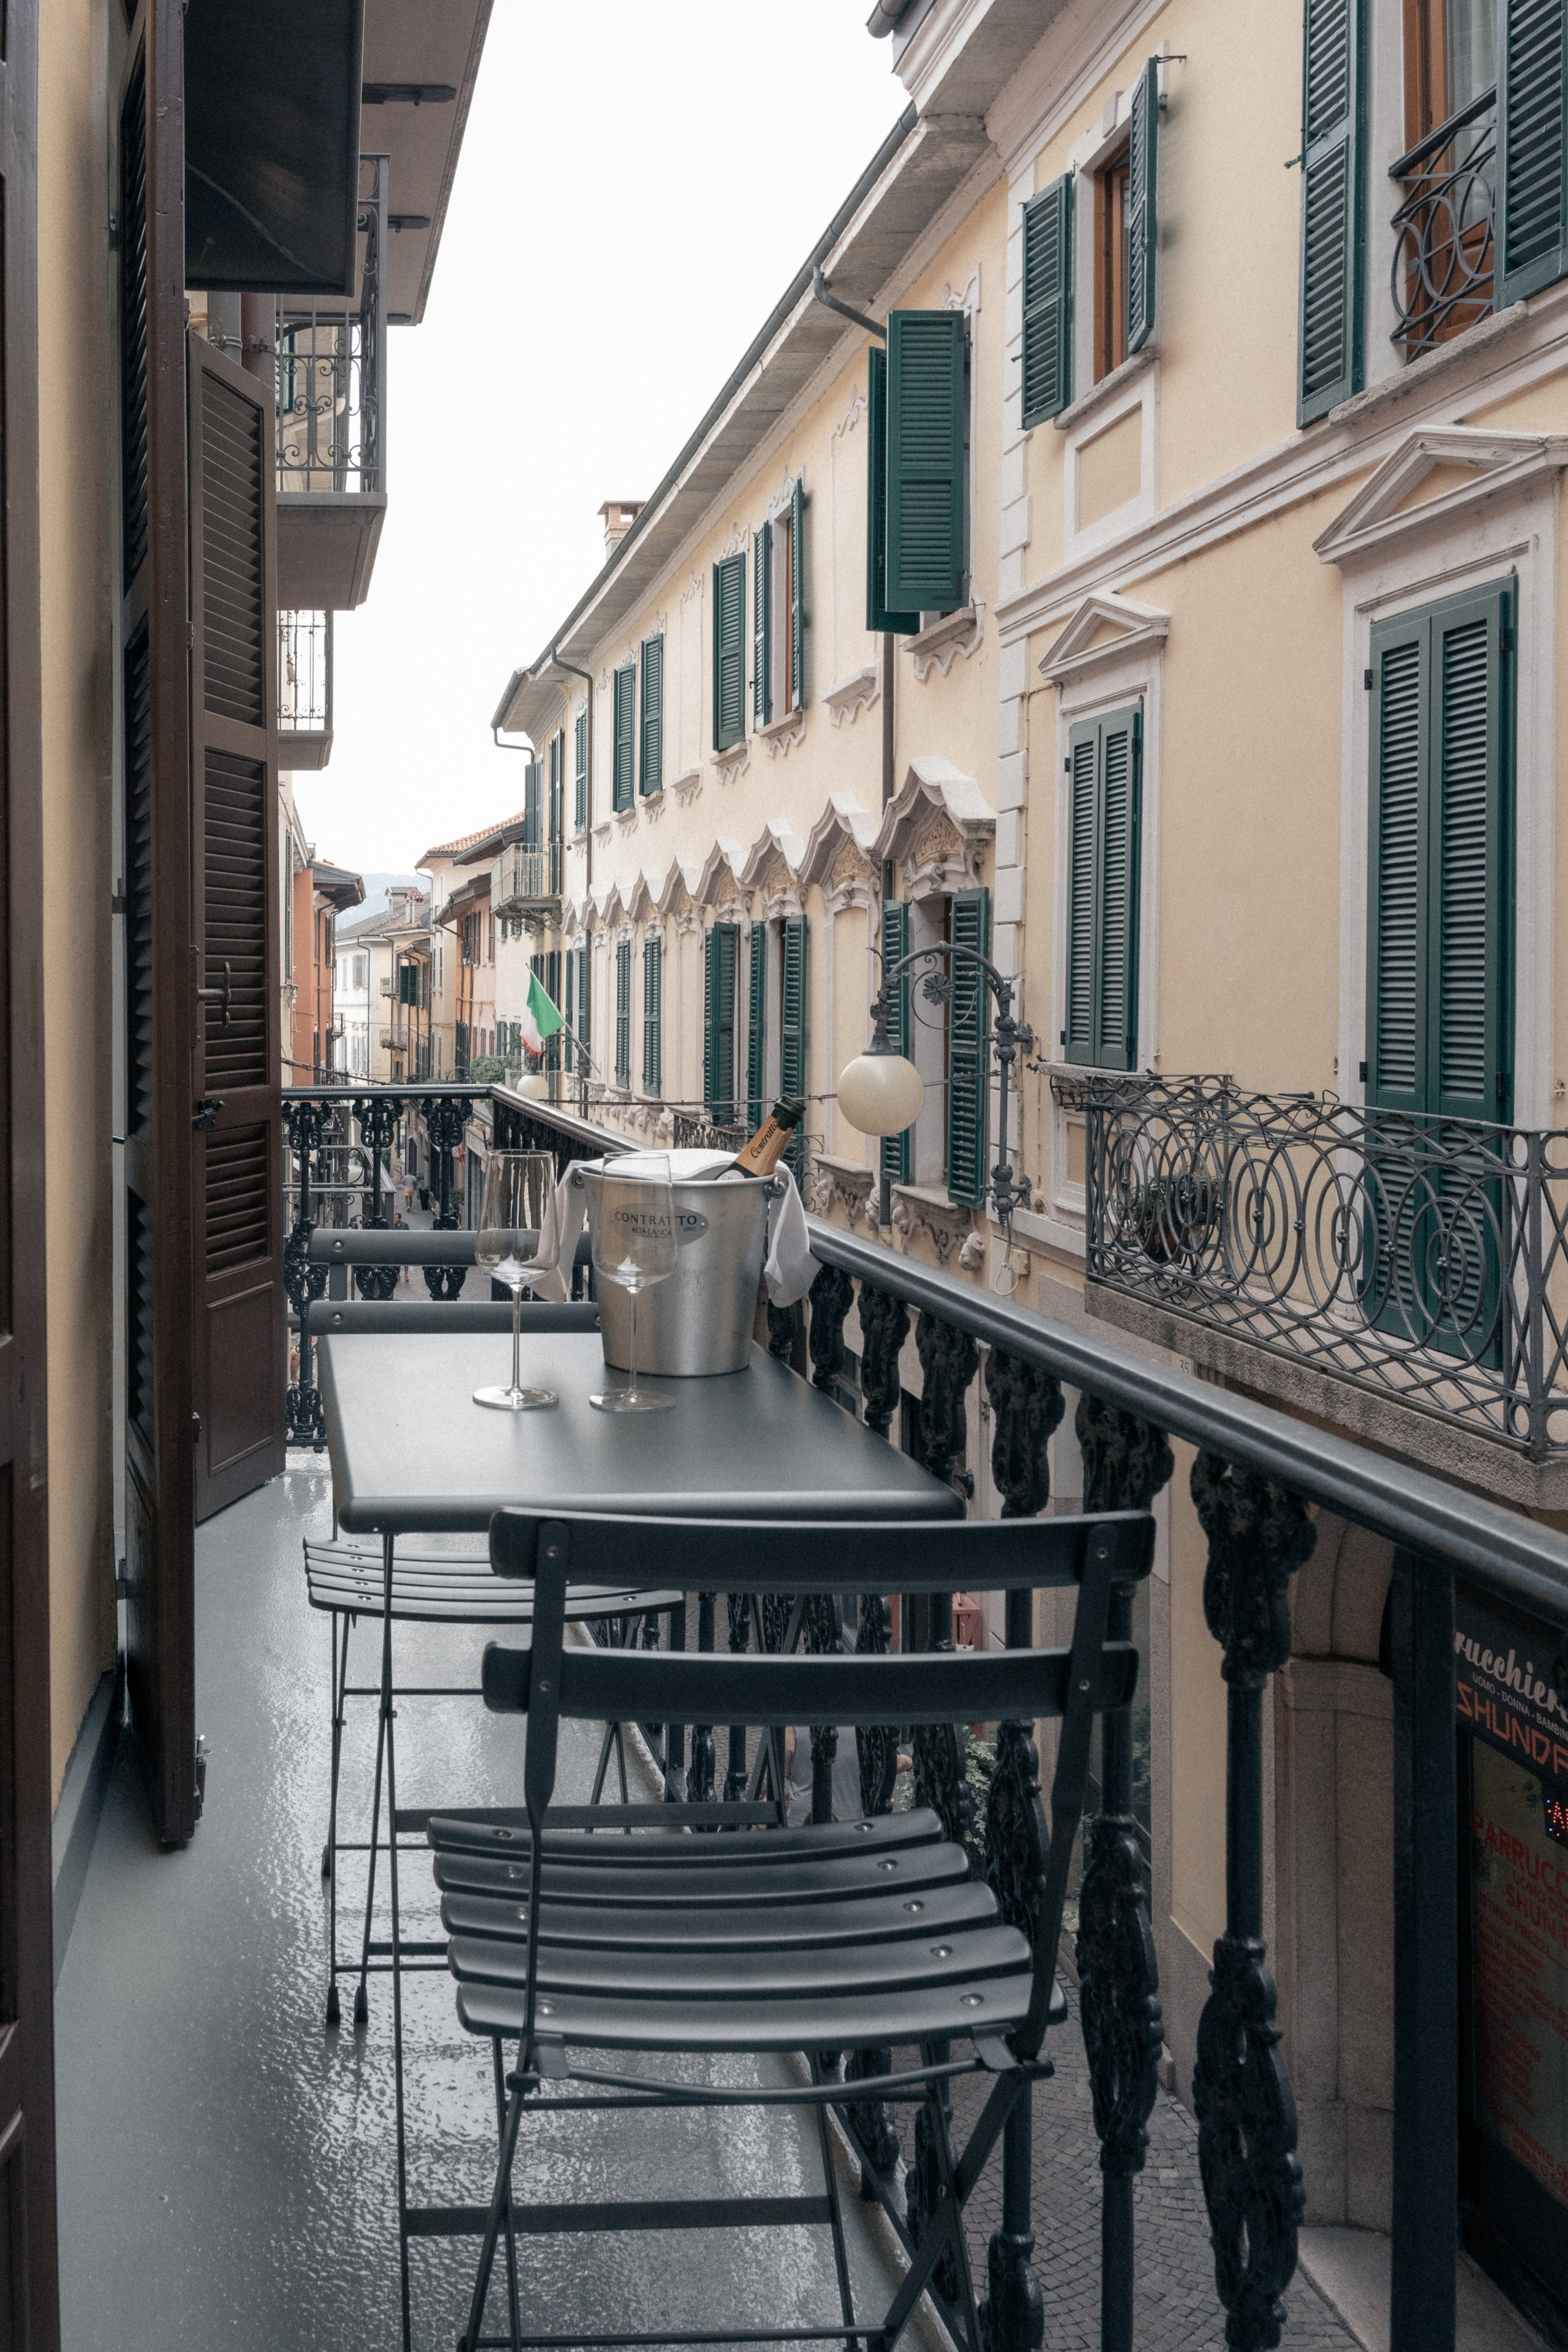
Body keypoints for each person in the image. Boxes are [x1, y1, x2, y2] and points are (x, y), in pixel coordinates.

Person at [783, 1725, 864, 1826]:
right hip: (852, 1822)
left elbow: (786, 1772)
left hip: (801, 1824)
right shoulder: (865, 1728)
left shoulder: (792, 1729)